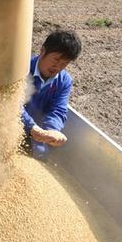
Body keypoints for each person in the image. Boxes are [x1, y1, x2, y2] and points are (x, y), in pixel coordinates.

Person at [22, 29, 82, 159]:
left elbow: (58, 109)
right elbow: (11, 103)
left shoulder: (64, 81)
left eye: (64, 64)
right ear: (43, 51)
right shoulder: (22, 69)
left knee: (41, 154)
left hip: (35, 130)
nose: (58, 67)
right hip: (10, 123)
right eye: (56, 60)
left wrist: (52, 130)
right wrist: (31, 127)